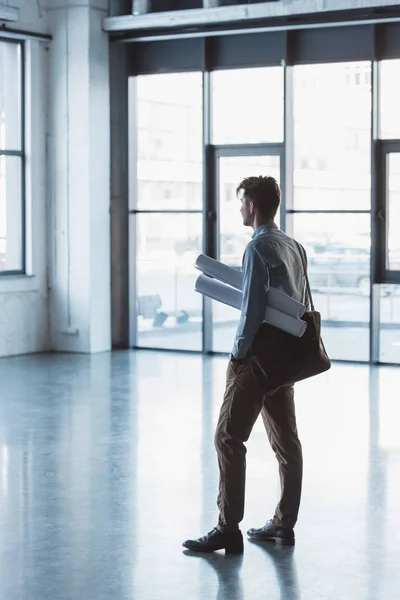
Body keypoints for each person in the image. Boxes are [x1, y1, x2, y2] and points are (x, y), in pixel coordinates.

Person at [183, 175, 306, 554]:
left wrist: (238, 353)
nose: (238, 208)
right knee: (287, 443)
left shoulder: (257, 249)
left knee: (228, 437)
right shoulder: (293, 246)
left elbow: (252, 310)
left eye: (241, 202)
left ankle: (227, 528)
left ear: (252, 205)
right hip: (284, 360)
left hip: (256, 359)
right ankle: (284, 525)